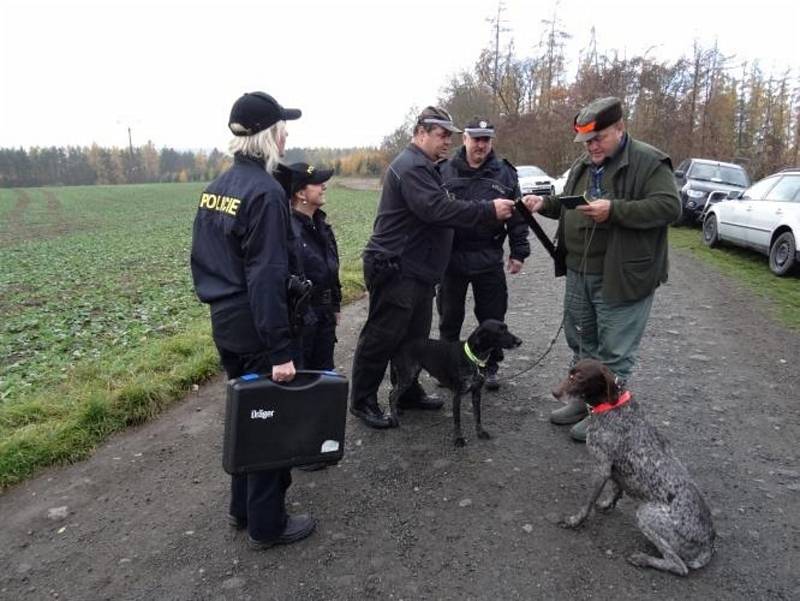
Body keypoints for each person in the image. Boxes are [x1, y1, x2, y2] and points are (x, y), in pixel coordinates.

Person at [190, 91, 316, 549]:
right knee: (270, 422)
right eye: (283, 127)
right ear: (268, 136)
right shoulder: (264, 193)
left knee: (246, 416)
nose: (287, 135)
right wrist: (280, 349)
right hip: (260, 327)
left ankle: (241, 508)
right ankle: (268, 523)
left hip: (226, 321)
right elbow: (266, 276)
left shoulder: (216, 188)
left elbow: (200, 260)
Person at [523, 96, 681, 442]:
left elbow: (671, 207)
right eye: (586, 141)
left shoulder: (648, 161)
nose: (591, 146)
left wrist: (616, 210)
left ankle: (608, 420)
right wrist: (544, 204)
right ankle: (584, 403)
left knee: (614, 353)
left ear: (620, 129)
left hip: (623, 275)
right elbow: (571, 204)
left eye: (598, 138)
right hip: (579, 271)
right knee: (583, 343)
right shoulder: (585, 165)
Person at [349, 106, 516, 429]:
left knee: (413, 339)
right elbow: (436, 209)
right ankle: (363, 401)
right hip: (396, 267)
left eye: (451, 137)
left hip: (420, 271)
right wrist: (487, 210)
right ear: (421, 132)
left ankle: (408, 391)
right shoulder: (411, 166)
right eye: (442, 135)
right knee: (381, 337)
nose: (447, 143)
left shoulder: (427, 166)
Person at [437, 118, 530, 390]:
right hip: (452, 258)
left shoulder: (505, 173)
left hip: (488, 255)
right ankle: (449, 367)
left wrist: (519, 252)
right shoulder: (443, 171)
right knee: (449, 317)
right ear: (464, 138)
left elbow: (517, 216)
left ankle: (490, 366)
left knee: (493, 317)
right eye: (475, 138)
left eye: (486, 139)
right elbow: (433, 213)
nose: (481, 144)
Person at [279, 162, 341, 372]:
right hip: (302, 322)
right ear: (300, 193)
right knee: (302, 381)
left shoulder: (321, 225)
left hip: (324, 317)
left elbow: (331, 269)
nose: (324, 186)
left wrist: (335, 304)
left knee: (324, 378)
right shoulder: (288, 231)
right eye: (317, 183)